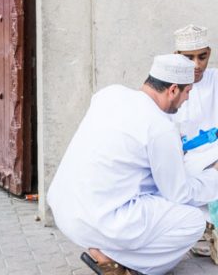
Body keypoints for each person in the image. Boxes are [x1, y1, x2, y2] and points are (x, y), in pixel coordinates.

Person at [47, 54, 218, 275]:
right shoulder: (160, 127)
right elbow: (180, 195)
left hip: (65, 210)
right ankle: (117, 261)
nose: (187, 100)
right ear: (173, 90)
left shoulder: (109, 94)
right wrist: (213, 174)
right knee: (193, 221)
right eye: (187, 92)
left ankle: (110, 252)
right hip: (99, 219)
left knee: (157, 197)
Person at [174, 23, 218, 258]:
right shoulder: (169, 86)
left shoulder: (216, 79)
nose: (197, 64)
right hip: (188, 158)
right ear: (177, 57)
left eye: (202, 57)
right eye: (189, 57)